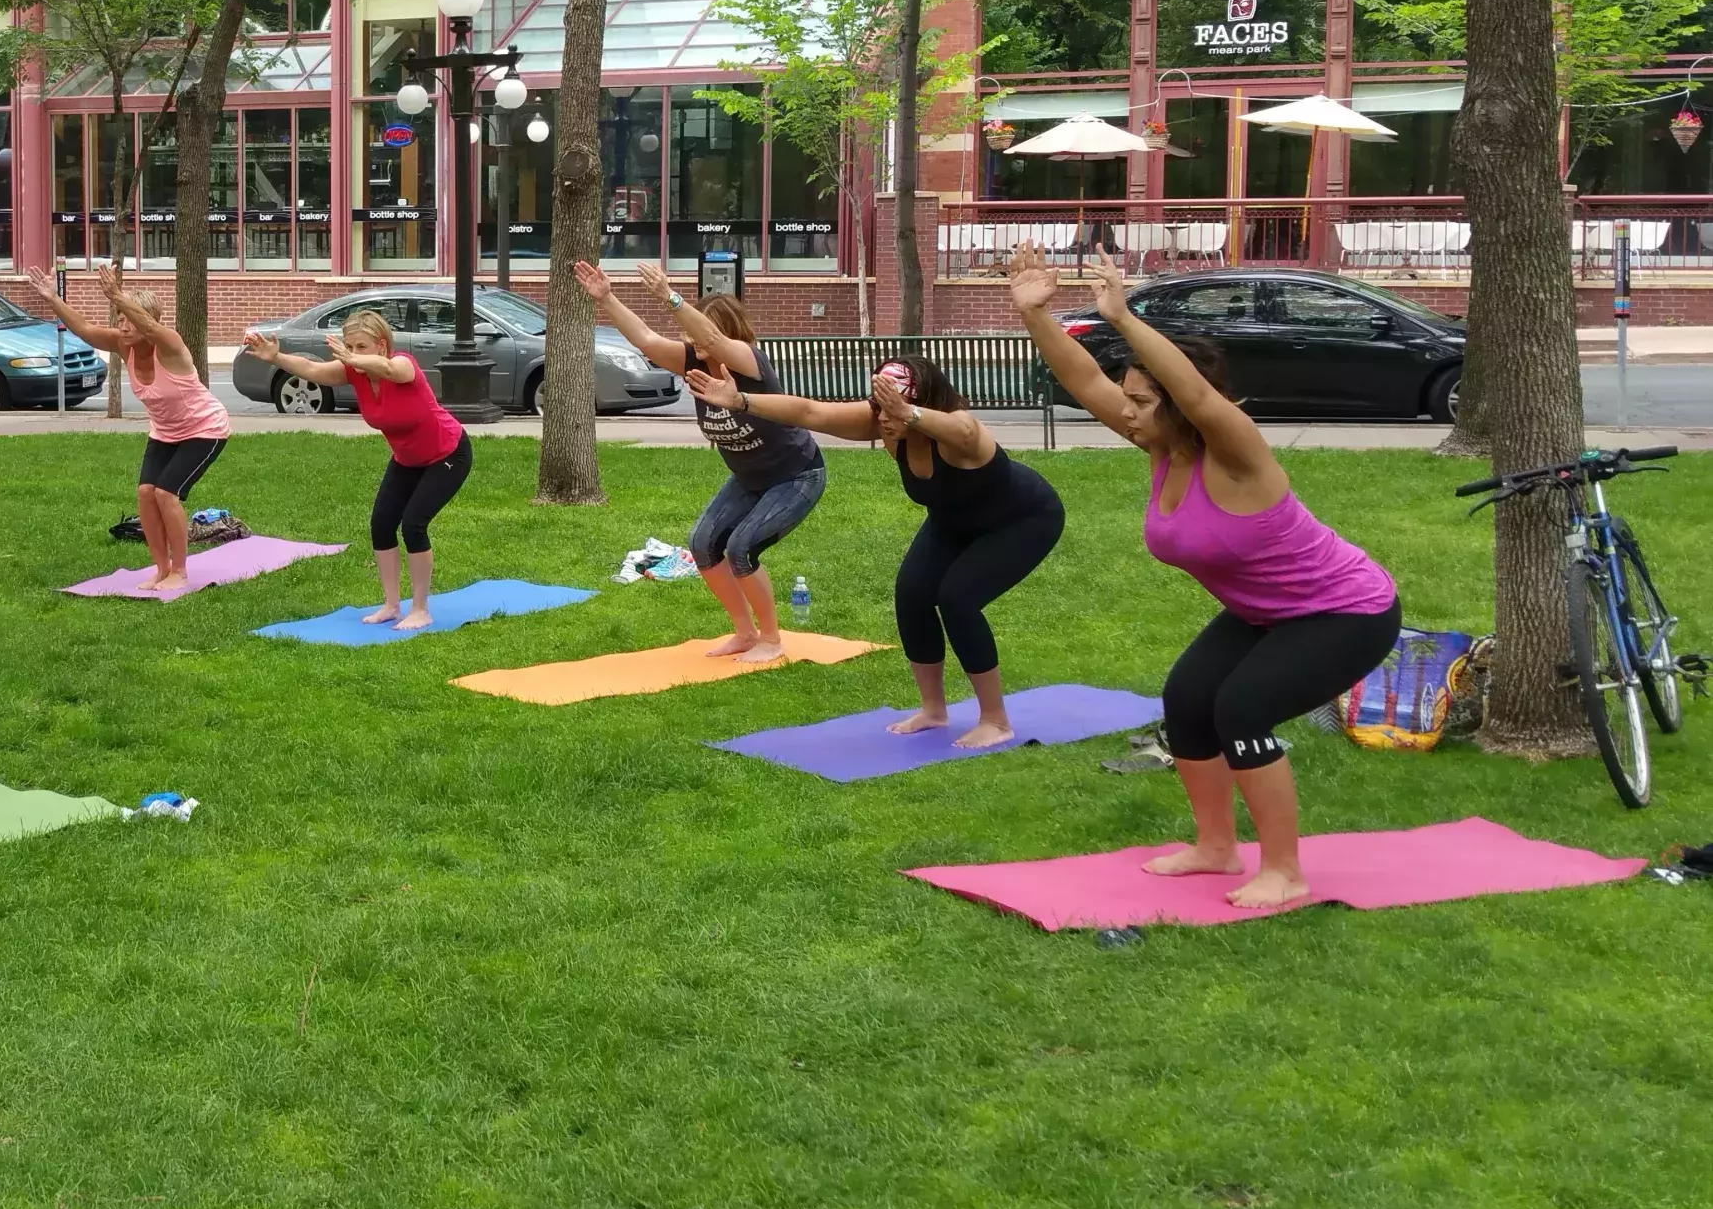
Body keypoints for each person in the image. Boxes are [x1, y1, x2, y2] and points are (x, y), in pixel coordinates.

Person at [1011, 244, 1400, 909]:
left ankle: (1284, 870)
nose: (1125, 412)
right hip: (1266, 614)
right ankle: (1216, 848)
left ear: (1180, 406)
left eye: (1140, 401)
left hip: (1347, 611)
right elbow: (1084, 382)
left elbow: (1190, 388)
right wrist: (1036, 315)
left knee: (1241, 708)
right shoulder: (1159, 444)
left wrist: (1126, 317)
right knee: (1188, 699)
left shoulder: (1236, 451)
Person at [684, 354, 1064, 747]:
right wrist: (741, 401)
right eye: (879, 405)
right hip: (953, 521)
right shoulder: (884, 424)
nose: (882, 418)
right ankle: (934, 711)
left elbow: (961, 429)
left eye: (893, 408)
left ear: (922, 404)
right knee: (913, 594)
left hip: (1022, 519)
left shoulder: (960, 431)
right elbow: (808, 411)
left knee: (958, 599)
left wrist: (909, 414)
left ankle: (996, 721)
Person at [575, 261, 824, 665]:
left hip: (796, 475)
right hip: (749, 477)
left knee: (741, 547)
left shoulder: (747, 362)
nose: (690, 337)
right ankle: (745, 633)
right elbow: (646, 340)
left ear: (724, 330)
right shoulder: (693, 360)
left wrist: (668, 296)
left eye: (699, 330)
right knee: (703, 545)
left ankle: (771, 638)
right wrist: (606, 298)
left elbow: (710, 336)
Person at [241, 308, 469, 629]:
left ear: (381, 344)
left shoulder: (403, 365)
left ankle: (420, 609)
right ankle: (391, 605)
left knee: (413, 524)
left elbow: (388, 368)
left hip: (447, 453)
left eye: (361, 347)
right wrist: (276, 357)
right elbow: (313, 369)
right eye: (349, 347)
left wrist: (354, 360)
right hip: (407, 459)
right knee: (381, 524)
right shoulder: (354, 371)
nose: (353, 354)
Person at [24, 262, 230, 591]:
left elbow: (149, 325)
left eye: (127, 319)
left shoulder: (170, 345)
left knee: (166, 493)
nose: (122, 326)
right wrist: (52, 298)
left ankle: (180, 570)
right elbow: (85, 330)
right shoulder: (124, 346)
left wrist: (118, 295)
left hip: (205, 429)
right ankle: (161, 569)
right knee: (145, 493)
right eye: (119, 319)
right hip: (165, 432)